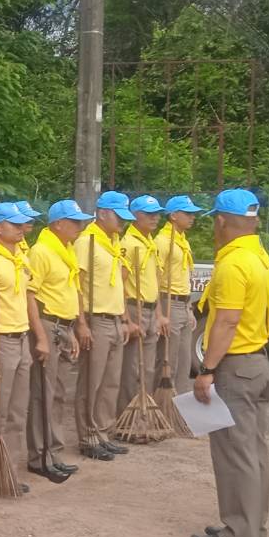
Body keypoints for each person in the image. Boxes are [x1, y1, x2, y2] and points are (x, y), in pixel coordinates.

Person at [189, 188, 269, 537]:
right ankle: (254, 527)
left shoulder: (232, 264)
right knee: (253, 450)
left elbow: (226, 321)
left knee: (234, 453)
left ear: (222, 221)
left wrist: (206, 369)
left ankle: (239, 532)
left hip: (236, 367)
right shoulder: (260, 257)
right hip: (259, 363)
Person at [0, 200, 45, 488]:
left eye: (21, 223)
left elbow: (28, 298)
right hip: (0, 339)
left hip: (21, 338)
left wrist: (37, 335)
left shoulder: (19, 256)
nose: (21, 228)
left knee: (18, 411)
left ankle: (10, 470)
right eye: (14, 224)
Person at [27, 200, 92, 482]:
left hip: (64, 326)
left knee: (58, 394)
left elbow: (71, 291)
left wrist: (75, 327)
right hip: (48, 324)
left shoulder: (66, 249)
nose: (80, 226)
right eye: (74, 221)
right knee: (44, 393)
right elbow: (30, 295)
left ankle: (53, 452)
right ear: (57, 224)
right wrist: (41, 336)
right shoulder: (41, 251)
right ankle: (39, 456)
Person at [74, 190, 137, 462]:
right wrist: (81, 323)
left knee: (110, 382)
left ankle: (103, 433)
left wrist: (124, 319)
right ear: (102, 214)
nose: (122, 222)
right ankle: (88, 436)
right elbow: (77, 286)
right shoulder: (86, 242)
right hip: (96, 319)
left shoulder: (113, 242)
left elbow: (118, 284)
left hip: (114, 319)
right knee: (92, 382)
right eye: (118, 216)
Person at [118, 195, 168, 413]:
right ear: (135, 215)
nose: (154, 218)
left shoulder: (150, 243)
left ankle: (142, 412)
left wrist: (159, 314)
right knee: (131, 369)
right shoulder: (128, 244)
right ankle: (126, 414)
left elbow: (154, 283)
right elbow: (120, 283)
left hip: (150, 308)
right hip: (134, 306)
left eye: (157, 214)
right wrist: (126, 319)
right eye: (149, 214)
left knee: (147, 368)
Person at [155, 195, 203, 393]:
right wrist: (159, 314)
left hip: (183, 304)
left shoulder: (183, 241)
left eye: (193, 213)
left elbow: (183, 278)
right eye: (187, 213)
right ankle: (163, 403)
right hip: (168, 301)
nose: (192, 217)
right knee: (168, 360)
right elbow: (155, 279)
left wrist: (189, 308)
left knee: (184, 363)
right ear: (173, 215)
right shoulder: (162, 241)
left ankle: (180, 406)